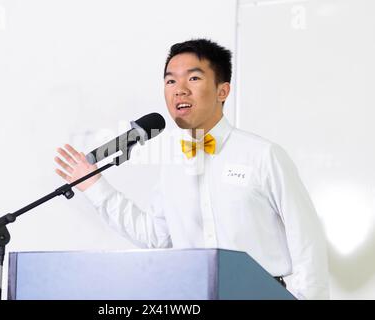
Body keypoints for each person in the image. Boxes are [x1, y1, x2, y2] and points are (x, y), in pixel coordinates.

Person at [54, 39, 329, 300]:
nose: (179, 89)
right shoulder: (173, 164)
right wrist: (94, 185)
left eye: (193, 78)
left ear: (223, 90)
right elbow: (156, 238)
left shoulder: (263, 155)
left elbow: (306, 240)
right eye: (170, 80)